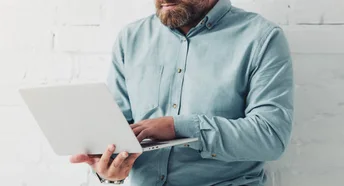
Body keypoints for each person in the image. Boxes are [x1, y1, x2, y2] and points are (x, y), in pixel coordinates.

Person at [69, 0, 294, 185]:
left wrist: (178, 127)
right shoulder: (131, 39)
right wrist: (109, 169)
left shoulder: (261, 38)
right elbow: (119, 130)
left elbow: (270, 138)